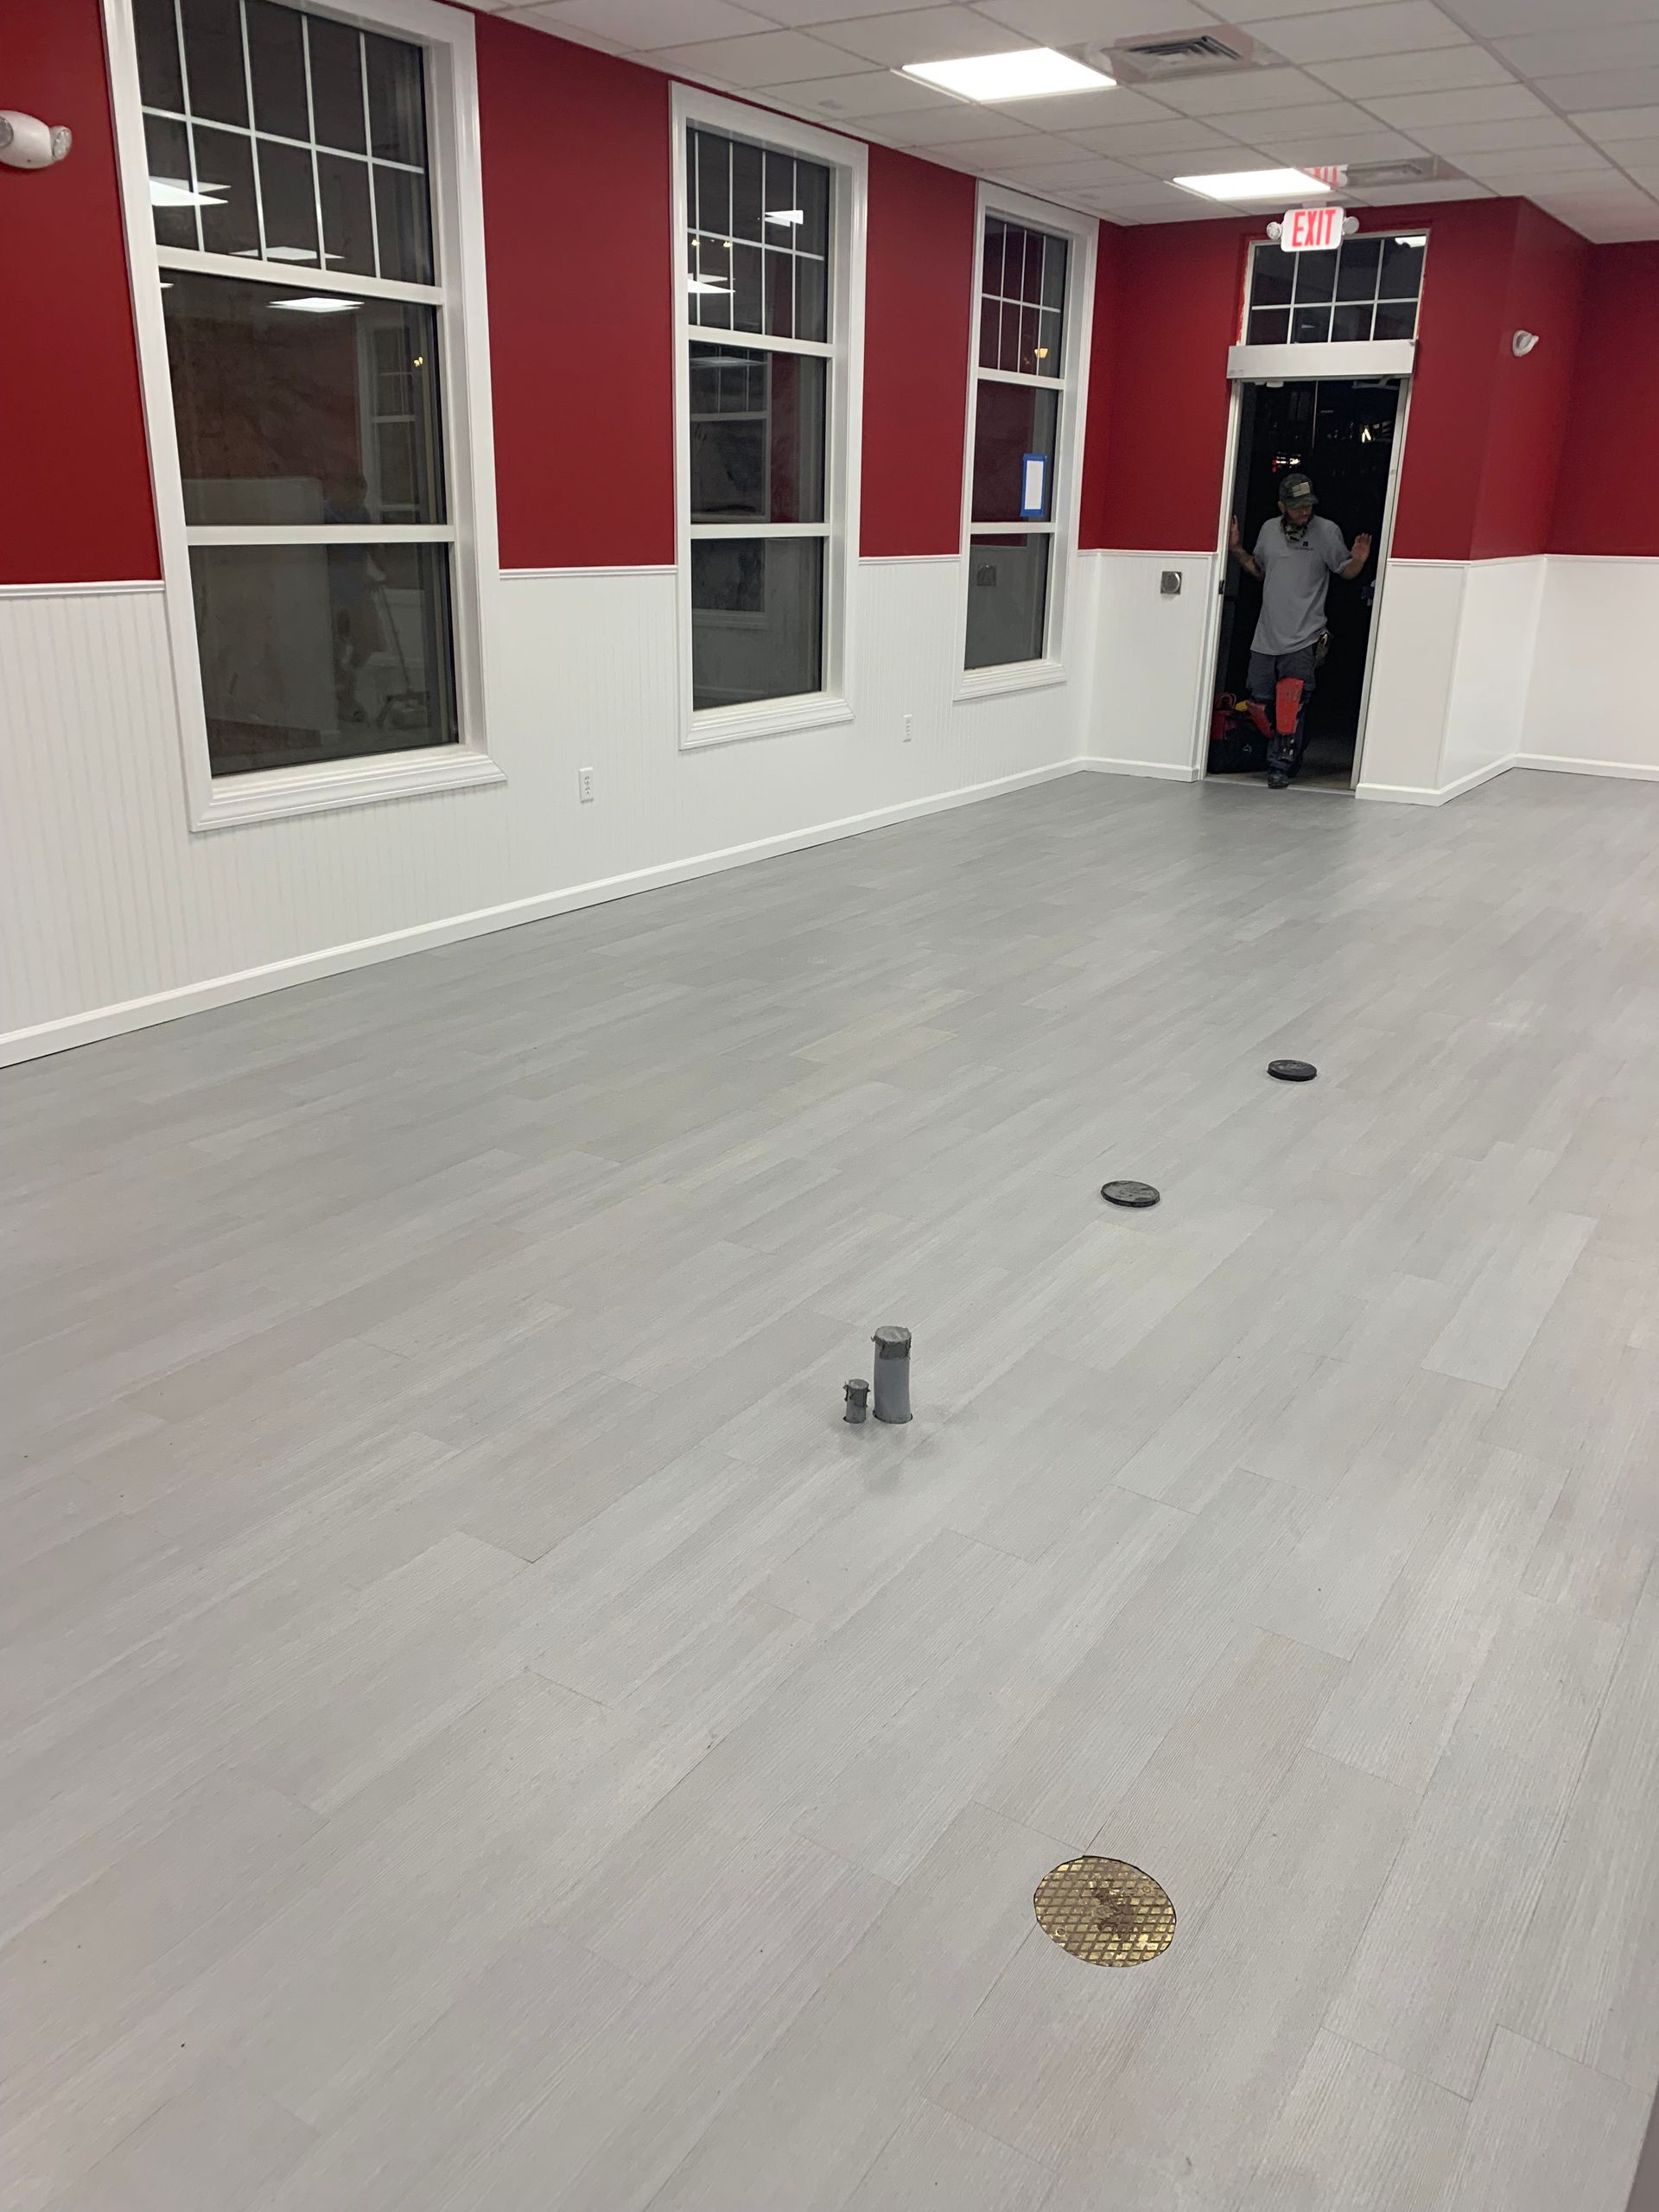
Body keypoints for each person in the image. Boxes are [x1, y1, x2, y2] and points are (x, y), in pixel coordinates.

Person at [1228, 471, 1371, 789]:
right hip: (1266, 635)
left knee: (1292, 702)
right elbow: (1260, 570)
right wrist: (1236, 548)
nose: (1305, 511)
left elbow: (1344, 571)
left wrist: (1358, 562)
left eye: (1308, 505)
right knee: (1259, 703)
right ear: (1282, 506)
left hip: (1305, 636)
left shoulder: (1326, 532)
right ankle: (1279, 751)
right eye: (1297, 507)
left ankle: (1281, 765)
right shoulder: (1268, 530)